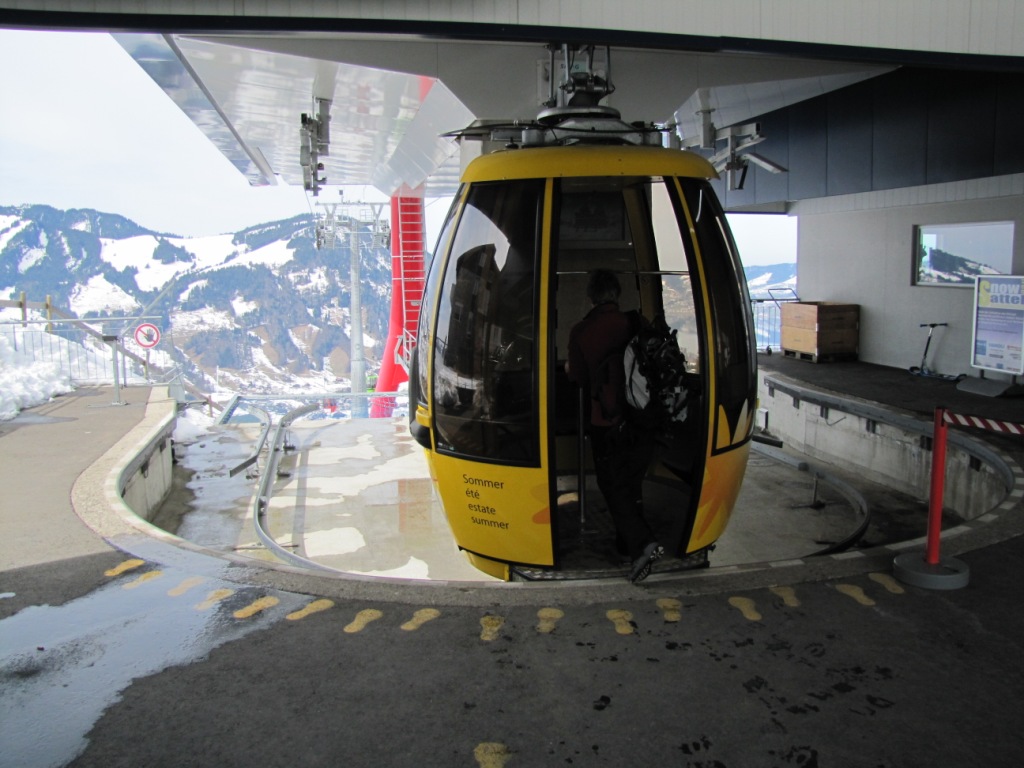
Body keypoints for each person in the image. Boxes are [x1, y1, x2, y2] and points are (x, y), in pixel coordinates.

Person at [565, 269, 663, 583]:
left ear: (591, 295)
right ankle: (627, 544)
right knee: (632, 483)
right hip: (644, 417)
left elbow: (578, 377)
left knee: (613, 485)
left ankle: (643, 545)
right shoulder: (635, 322)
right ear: (617, 293)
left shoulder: (582, 331)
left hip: (606, 421)